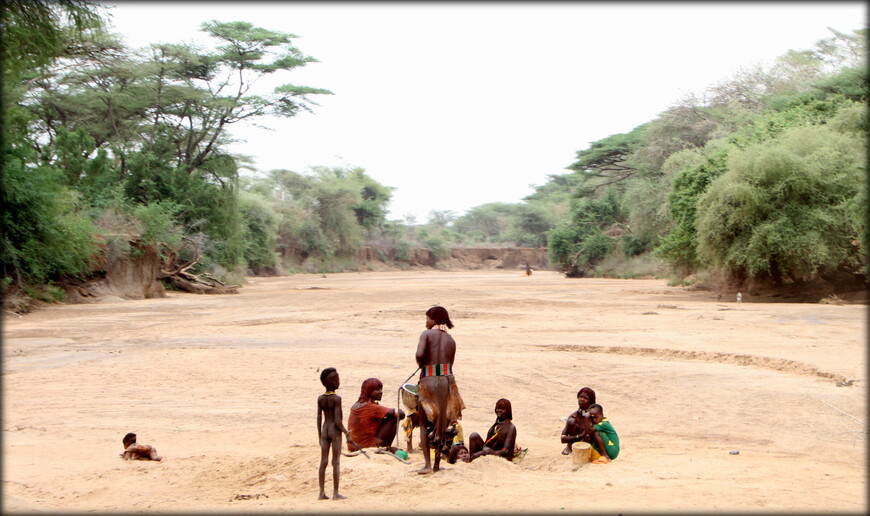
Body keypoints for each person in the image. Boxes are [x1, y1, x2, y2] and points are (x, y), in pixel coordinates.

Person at [415, 305, 466, 474]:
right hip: (446, 382)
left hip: (428, 380)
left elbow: (419, 355)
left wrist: (422, 365)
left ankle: (428, 465)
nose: (426, 321)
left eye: (427, 318)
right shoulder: (451, 340)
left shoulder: (426, 334)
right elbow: (450, 364)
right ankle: (437, 465)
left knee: (423, 423)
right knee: (441, 424)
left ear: (434, 319)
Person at [317, 367, 357, 500]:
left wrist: (319, 435)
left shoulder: (321, 399)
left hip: (324, 430)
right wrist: (347, 433)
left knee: (323, 461)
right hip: (334, 431)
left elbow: (319, 418)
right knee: (335, 462)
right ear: (332, 382)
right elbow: (338, 421)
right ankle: (335, 493)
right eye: (337, 379)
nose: (338, 381)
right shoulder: (336, 399)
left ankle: (321, 492)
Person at [347, 378, 405, 453]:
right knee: (393, 418)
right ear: (369, 392)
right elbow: (401, 414)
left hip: (352, 445)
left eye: (381, 389)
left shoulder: (358, 404)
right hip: (366, 445)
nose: (381, 392)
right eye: (377, 390)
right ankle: (385, 446)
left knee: (387, 416)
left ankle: (385, 446)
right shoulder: (371, 407)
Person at [560, 387, 596, 455]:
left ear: (591, 401)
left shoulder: (594, 416)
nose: (582, 399)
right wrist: (580, 436)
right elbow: (563, 439)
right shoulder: (573, 416)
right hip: (576, 442)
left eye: (585, 398)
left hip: (590, 443)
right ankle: (570, 446)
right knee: (571, 421)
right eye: (580, 396)